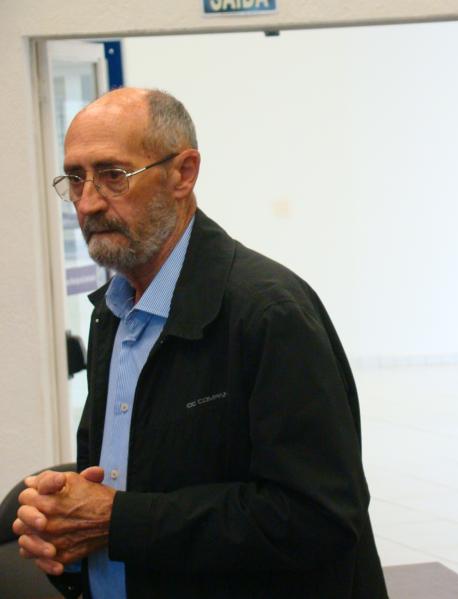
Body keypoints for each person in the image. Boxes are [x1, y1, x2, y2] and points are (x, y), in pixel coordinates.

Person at [13, 87, 388, 599]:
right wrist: (64, 536)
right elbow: (126, 488)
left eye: (113, 175)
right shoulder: (114, 313)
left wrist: (115, 521)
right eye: (75, 178)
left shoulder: (269, 313)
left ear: (183, 174)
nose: (88, 202)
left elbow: (318, 518)